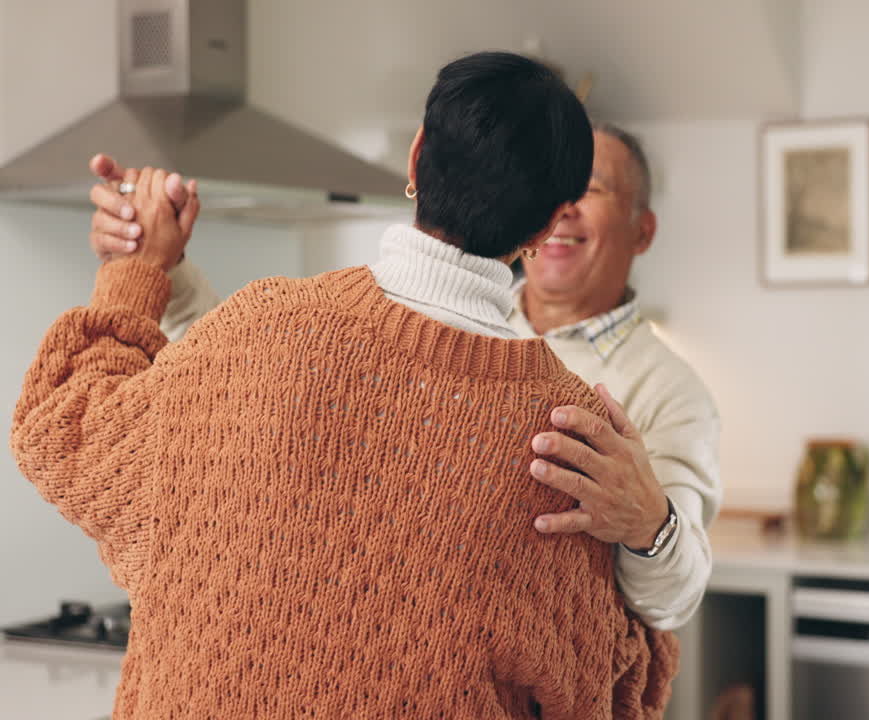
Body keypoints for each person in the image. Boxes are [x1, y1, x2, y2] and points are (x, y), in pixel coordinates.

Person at [14, 52, 675, 719]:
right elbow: (612, 688)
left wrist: (135, 270)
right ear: (548, 224)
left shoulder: (260, 323)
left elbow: (66, 433)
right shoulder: (568, 435)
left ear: (417, 159)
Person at [89, 124, 723, 631]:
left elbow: (674, 598)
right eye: (556, 189)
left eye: (591, 189)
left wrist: (649, 524)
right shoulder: (425, 313)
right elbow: (238, 376)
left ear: (643, 230)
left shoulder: (670, 393)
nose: (565, 213)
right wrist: (154, 261)